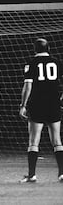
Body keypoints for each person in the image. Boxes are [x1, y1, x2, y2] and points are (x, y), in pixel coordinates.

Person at [19, 38, 63, 183]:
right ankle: (62, 174)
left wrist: (23, 105)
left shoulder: (31, 63)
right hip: (53, 104)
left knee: (33, 142)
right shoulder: (57, 62)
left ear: (35, 49)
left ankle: (32, 175)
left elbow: (28, 86)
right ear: (48, 48)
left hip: (37, 104)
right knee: (57, 141)